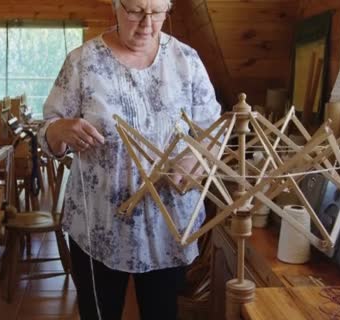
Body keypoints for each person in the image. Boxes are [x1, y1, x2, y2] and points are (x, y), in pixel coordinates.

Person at [37, 0, 221, 318]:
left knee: (161, 313)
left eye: (157, 12)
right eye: (136, 10)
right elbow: (46, 135)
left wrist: (192, 164)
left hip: (168, 226)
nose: (147, 23)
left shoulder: (186, 61)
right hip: (98, 226)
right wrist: (60, 130)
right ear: (116, 6)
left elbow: (212, 132)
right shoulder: (82, 62)